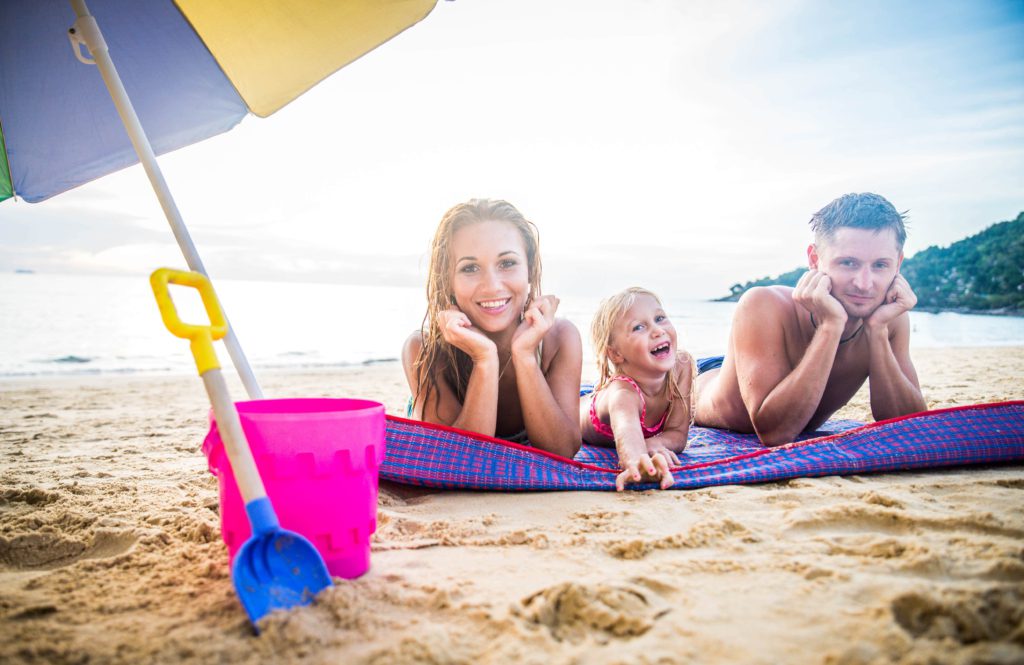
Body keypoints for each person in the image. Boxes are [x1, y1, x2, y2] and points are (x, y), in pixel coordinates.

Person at [694, 192, 927, 446]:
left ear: (898, 264)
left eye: (880, 265)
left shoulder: (888, 317)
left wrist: (878, 331)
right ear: (815, 260)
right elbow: (775, 433)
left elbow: (911, 429)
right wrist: (830, 326)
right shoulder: (763, 304)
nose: (864, 284)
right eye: (848, 263)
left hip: (755, 364)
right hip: (693, 382)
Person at [402, 199, 583, 458]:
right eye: (470, 268)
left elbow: (562, 450)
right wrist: (484, 359)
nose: (492, 285)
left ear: (530, 270)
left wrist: (525, 356)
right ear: (448, 280)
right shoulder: (424, 349)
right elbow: (458, 461)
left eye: (507, 263)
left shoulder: (560, 339)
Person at [581, 287, 694, 490]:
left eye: (659, 318)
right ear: (615, 354)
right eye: (638, 327)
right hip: (576, 410)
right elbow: (628, 437)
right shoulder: (623, 394)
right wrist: (638, 462)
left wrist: (654, 444)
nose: (658, 330)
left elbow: (678, 433)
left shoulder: (681, 367)